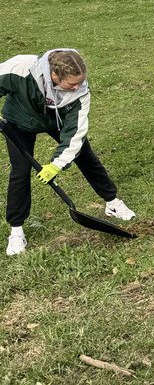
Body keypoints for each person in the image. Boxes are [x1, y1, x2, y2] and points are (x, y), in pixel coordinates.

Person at [1, 48, 135, 257]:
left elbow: (75, 136)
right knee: (20, 171)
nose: (77, 86)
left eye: (80, 81)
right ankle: (16, 230)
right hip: (20, 121)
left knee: (85, 156)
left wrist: (56, 164)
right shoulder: (21, 67)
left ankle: (112, 202)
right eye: (72, 83)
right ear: (55, 76)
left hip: (57, 120)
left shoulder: (80, 92)